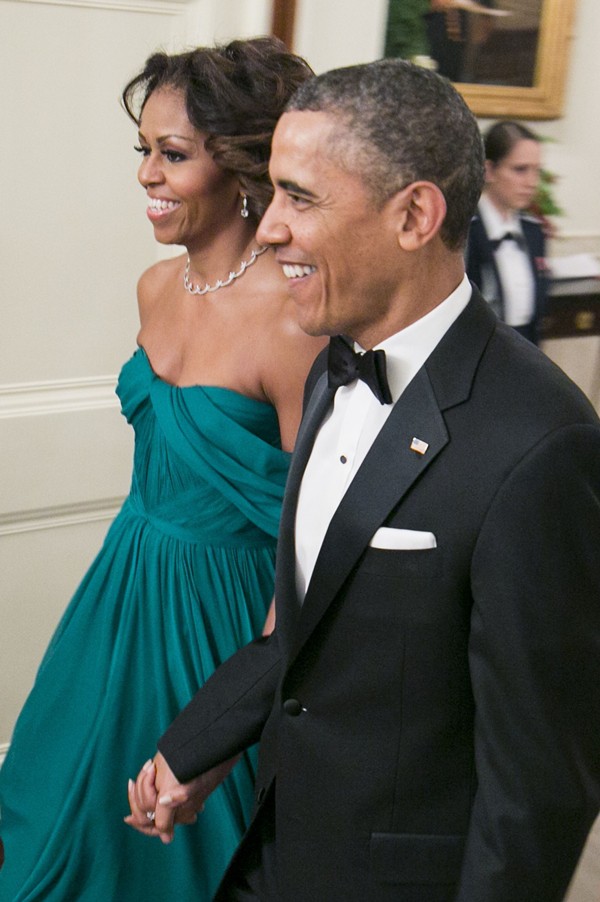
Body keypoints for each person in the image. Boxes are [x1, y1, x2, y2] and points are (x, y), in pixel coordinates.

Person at [127, 59, 600, 901]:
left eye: (300, 197)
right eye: (272, 192)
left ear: (414, 214)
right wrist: (200, 744)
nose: (267, 228)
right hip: (273, 847)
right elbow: (308, 629)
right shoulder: (328, 369)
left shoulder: (543, 444)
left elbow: (537, 789)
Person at [0, 37, 325, 901]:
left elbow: (309, 534)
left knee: (189, 851)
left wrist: (246, 699)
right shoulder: (153, 287)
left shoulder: (299, 321)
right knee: (50, 823)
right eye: (142, 150)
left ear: (242, 167)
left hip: (221, 617)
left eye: (172, 154)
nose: (147, 174)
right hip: (121, 591)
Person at [466, 119, 548, 344]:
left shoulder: (534, 231)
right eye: (520, 170)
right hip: (478, 352)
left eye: (536, 171)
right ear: (489, 170)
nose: (532, 182)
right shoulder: (466, 230)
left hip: (525, 351)